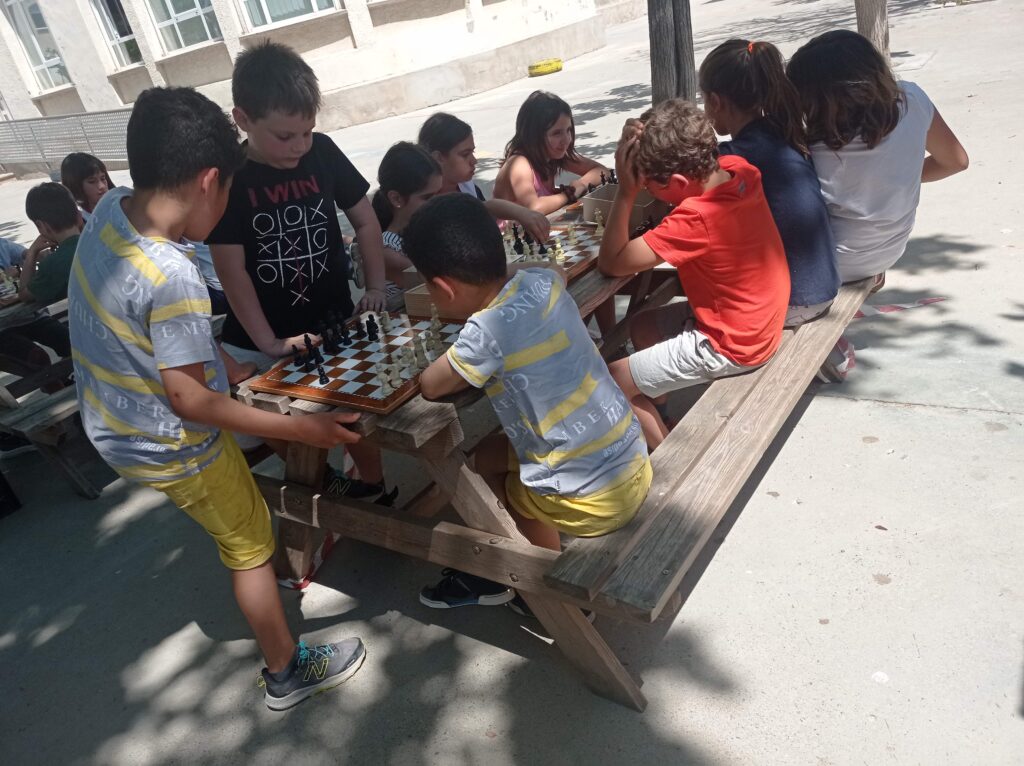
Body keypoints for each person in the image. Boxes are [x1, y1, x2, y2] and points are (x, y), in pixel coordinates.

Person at [68, 86, 366, 710]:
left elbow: (148, 331)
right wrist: (307, 431)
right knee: (250, 542)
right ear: (209, 181)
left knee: (241, 519)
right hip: (169, 440)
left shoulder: (112, 210)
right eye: (228, 192)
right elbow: (191, 403)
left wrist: (227, 365)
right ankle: (285, 670)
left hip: (114, 418)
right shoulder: (175, 275)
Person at [404, 194, 652, 612]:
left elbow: (430, 385)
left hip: (590, 499)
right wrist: (498, 272)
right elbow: (554, 268)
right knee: (484, 457)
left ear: (443, 287)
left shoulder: (485, 332)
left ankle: (544, 587)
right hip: (632, 463)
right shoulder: (541, 283)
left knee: (505, 491)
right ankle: (503, 553)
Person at [207, 41, 393, 503]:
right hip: (260, 337)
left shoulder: (322, 152)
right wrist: (269, 342)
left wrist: (375, 285)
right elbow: (231, 271)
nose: (299, 146)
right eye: (285, 136)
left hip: (333, 321)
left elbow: (367, 221)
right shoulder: (230, 179)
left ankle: (374, 491)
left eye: (307, 132)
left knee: (355, 415)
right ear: (243, 119)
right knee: (275, 425)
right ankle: (327, 487)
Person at [599, 100, 789, 449]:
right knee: (642, 327)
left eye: (649, 186)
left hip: (734, 342)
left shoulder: (696, 220)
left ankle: (666, 454)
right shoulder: (739, 170)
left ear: (677, 182)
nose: (644, 190)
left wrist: (625, 193)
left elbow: (611, 262)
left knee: (611, 380)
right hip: (757, 320)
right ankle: (660, 415)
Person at [786, 30, 968, 285]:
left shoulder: (814, 143)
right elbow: (956, 161)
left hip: (826, 263)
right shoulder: (911, 99)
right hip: (889, 251)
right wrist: (894, 179)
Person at [699, 38, 840, 326]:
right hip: (823, 285)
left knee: (685, 303)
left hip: (793, 299)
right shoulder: (784, 129)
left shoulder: (734, 158)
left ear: (715, 101)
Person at [417, 112, 550, 241]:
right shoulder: (421, 202)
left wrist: (522, 214)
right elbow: (481, 208)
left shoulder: (468, 187)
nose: (474, 161)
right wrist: (520, 212)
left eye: (472, 152)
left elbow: (484, 214)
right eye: (465, 154)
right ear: (438, 158)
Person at [0, 183, 77, 382]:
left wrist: (35, 253)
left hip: (31, 318)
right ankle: (59, 386)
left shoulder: (2, 245)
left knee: (71, 343)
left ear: (42, 226)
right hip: (3, 329)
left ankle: (68, 383)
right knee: (36, 358)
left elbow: (29, 256)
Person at [492, 91, 608, 215]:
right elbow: (534, 208)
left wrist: (580, 185)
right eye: (556, 133)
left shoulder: (553, 154)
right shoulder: (519, 164)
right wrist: (567, 195)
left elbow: (602, 171)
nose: (566, 140)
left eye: (568, 130)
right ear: (534, 135)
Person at [369, 141, 444, 311]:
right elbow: (439, 283)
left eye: (438, 194)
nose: (437, 203)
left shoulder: (426, 231)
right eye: (427, 198)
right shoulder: (387, 250)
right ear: (396, 199)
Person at [60, 152, 113, 220]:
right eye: (92, 181)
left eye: (103, 178)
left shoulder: (121, 205)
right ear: (75, 186)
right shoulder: (80, 220)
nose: (102, 186)